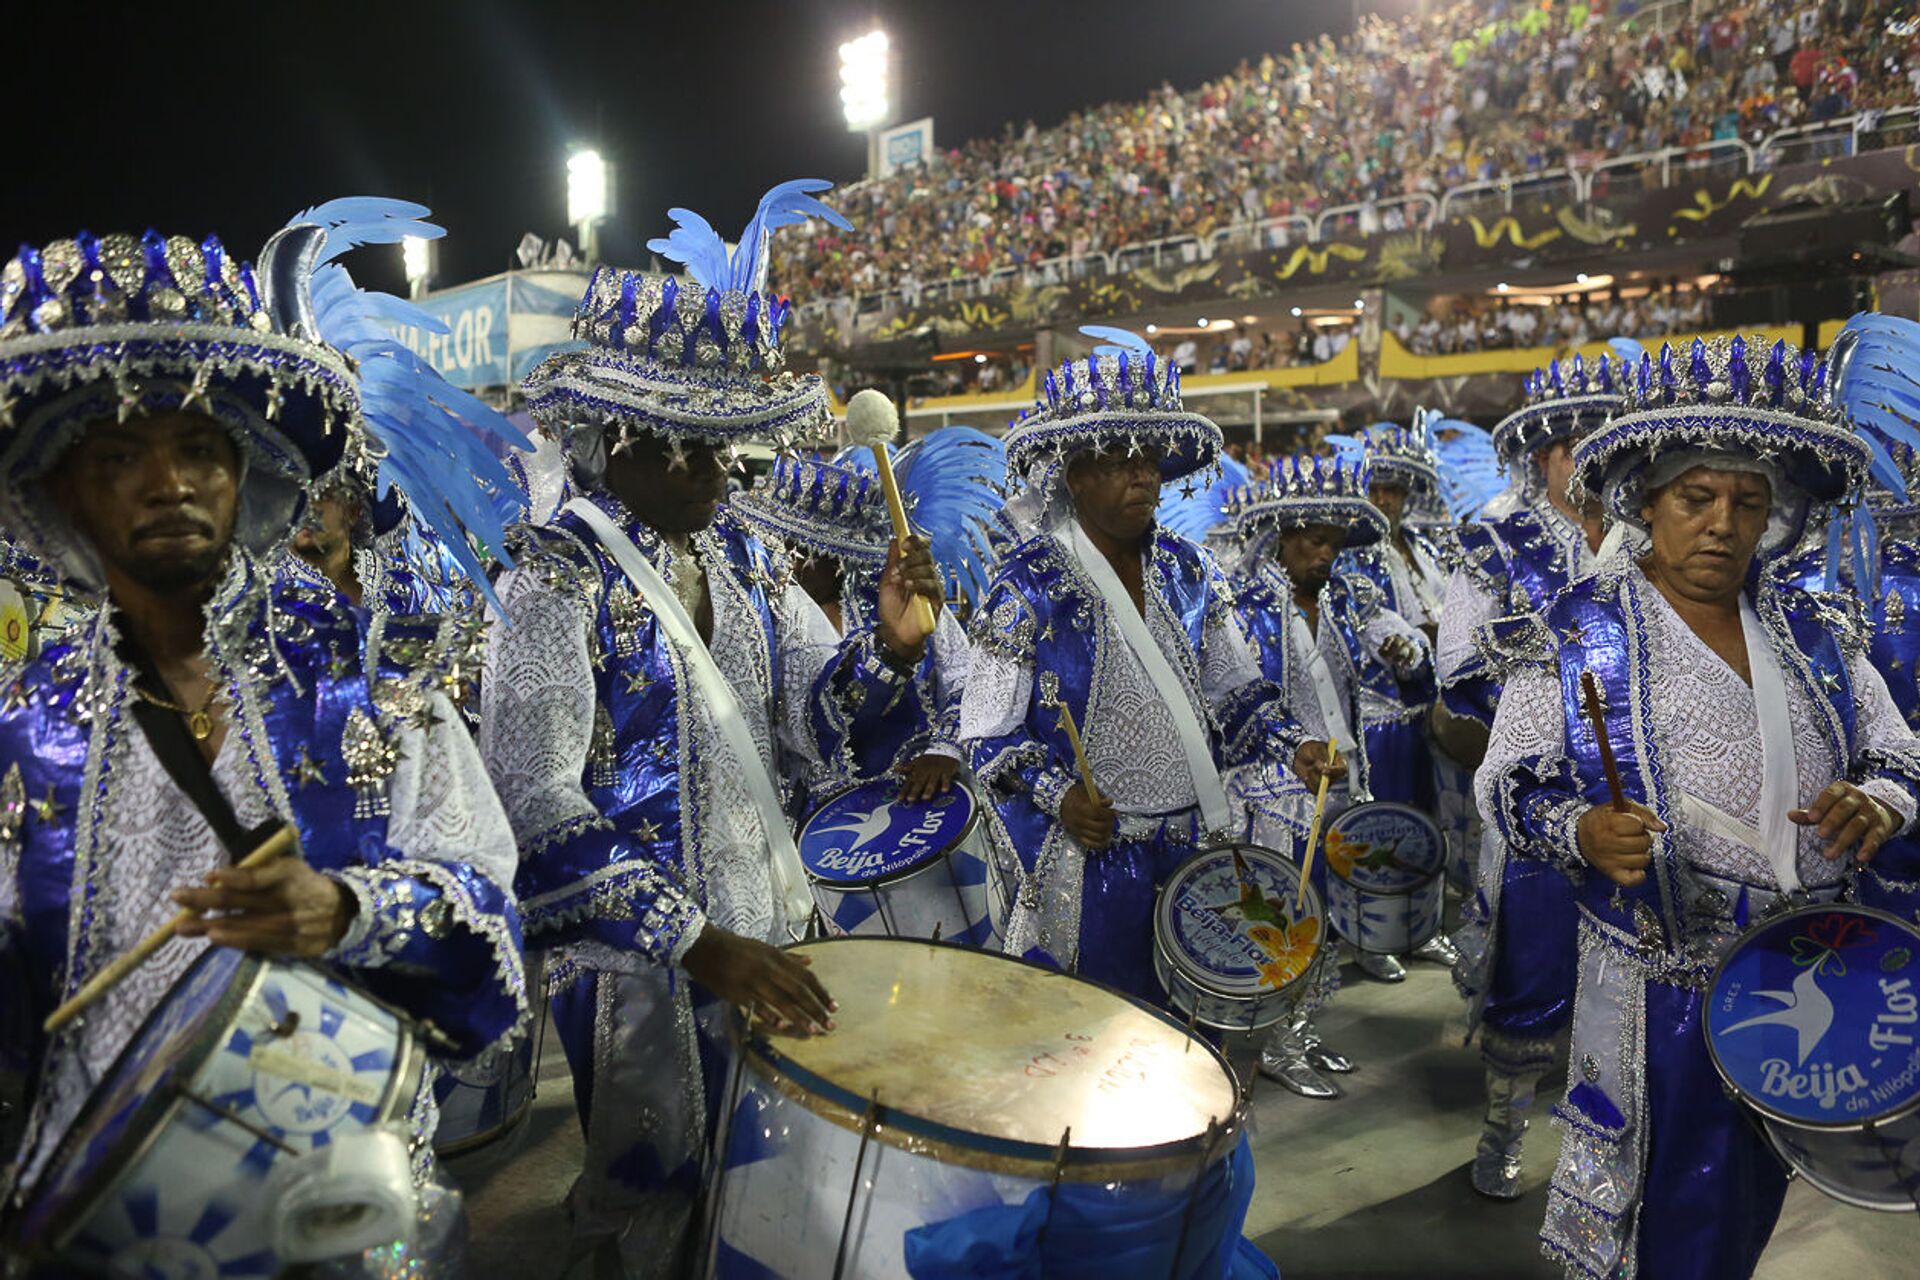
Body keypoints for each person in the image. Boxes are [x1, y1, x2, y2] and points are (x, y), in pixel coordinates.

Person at [0, 210, 529, 1271]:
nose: (169, 482)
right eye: (121, 454)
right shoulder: (26, 728)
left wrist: (346, 910)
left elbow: (494, 915)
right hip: (108, 1221)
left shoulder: (367, 681)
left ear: (245, 474)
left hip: (345, 1206)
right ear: (64, 488)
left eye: (200, 446)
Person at [480, 180, 944, 1278]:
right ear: (609, 440)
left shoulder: (743, 558)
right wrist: (698, 942)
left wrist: (893, 646)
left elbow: (825, 726)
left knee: (777, 1197)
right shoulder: (555, 577)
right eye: (676, 445)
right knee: (651, 1213)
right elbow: (534, 797)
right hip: (645, 967)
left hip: (773, 927)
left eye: (717, 446)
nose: (707, 471)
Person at [1480, 335, 1920, 1280]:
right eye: (1697, 498)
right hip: (1657, 988)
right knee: (1651, 1221)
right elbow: (1507, 781)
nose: (1722, 523)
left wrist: (1879, 798)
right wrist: (1580, 831)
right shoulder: (1572, 633)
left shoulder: (1815, 629)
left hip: (1806, 968)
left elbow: (1897, 748)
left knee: (1751, 1208)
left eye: (1747, 503)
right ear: (1646, 501)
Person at [961, 326, 1305, 1007]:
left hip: (1198, 838)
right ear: (1074, 474)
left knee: (1200, 1027)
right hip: (1092, 857)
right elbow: (986, 733)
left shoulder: (1187, 567)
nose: (1142, 473)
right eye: (1118, 458)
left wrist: (1297, 747)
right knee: (1105, 1035)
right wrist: (1061, 796)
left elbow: (1233, 688)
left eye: (1148, 457)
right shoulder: (1028, 584)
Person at [1439, 354, 1627, 1200]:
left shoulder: (1653, 537)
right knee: (1530, 967)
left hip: (1643, 801)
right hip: (1538, 794)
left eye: (1599, 439)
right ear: (1542, 456)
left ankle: (1605, 1156)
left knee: (1630, 987)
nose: (1584, 456)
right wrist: (1539, 692)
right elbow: (1454, 668)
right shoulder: (1493, 543)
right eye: (1569, 442)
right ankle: (1502, 1129)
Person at [1220, 454, 1430, 1092]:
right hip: (1273, 796)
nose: (1325, 554)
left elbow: (1399, 643)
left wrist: (1405, 647)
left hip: (1340, 786)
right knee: (1276, 924)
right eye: (1313, 541)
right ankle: (1265, 1046)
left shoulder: (1342, 604)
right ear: (1280, 538)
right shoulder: (1246, 608)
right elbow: (1233, 700)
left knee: (1322, 922)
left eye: (1334, 544)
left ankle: (1301, 1033)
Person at [730, 422, 1005, 810]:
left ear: (836, 556)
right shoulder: (764, 618)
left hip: (926, 803)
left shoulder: (898, 596)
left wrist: (945, 750)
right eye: (777, 545)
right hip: (819, 826)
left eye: (799, 549)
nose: (785, 563)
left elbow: (964, 676)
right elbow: (785, 729)